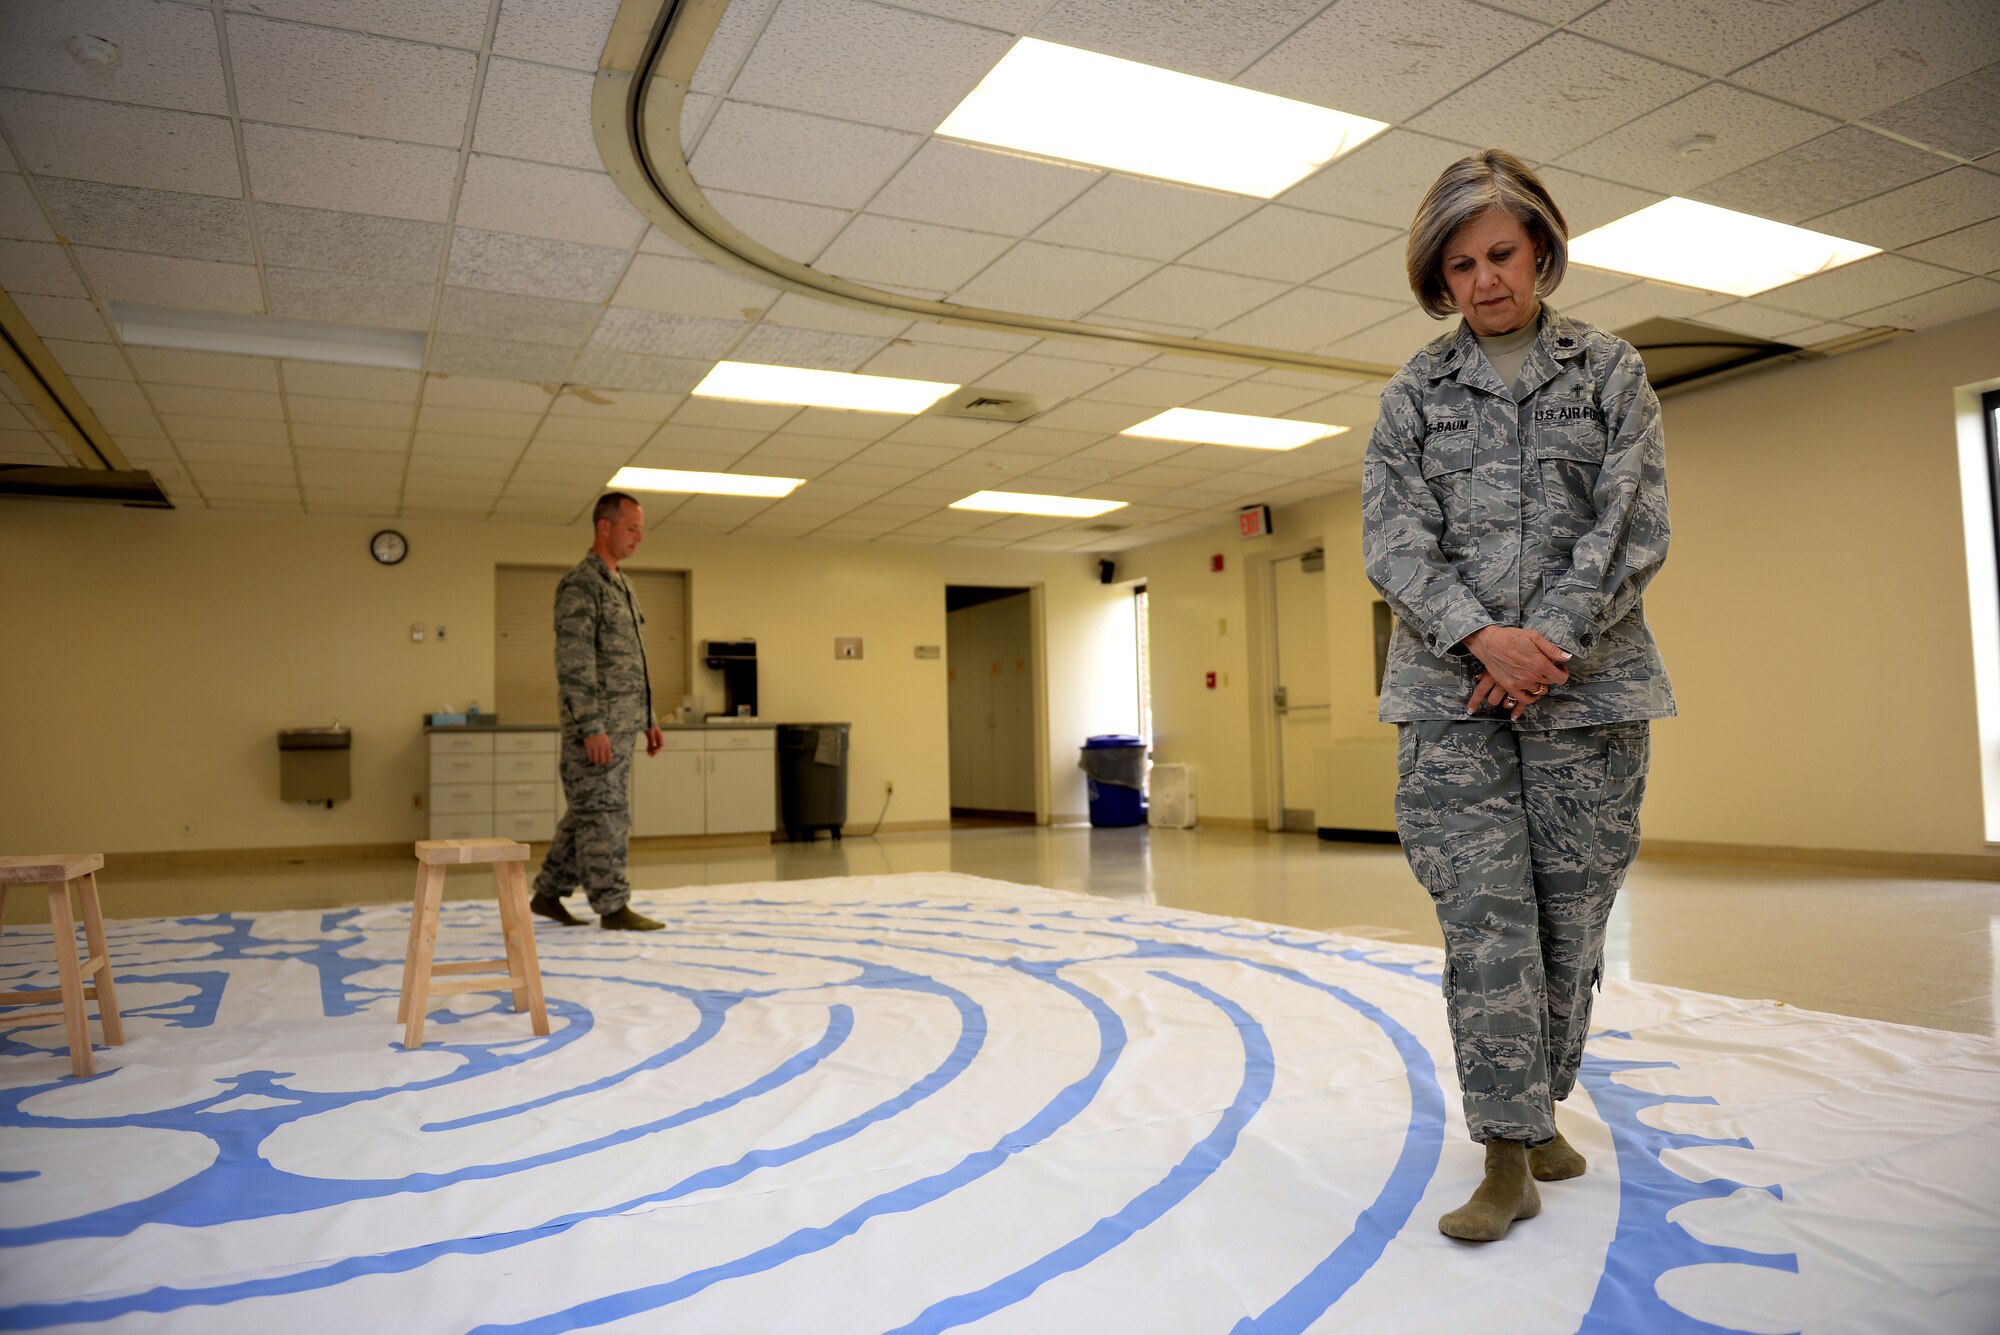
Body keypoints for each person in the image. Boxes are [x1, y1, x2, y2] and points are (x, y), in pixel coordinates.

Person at [1361, 149, 1675, 1242]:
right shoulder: (1412, 394)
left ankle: (1537, 1109)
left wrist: (1543, 642)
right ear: (1434, 278)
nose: (1483, 280)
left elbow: (1630, 525)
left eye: (1499, 254)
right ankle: (1504, 1155)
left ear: (1538, 249)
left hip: (1586, 695)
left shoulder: (1609, 371)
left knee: (1567, 919)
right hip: (1450, 703)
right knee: (1484, 920)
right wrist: (1483, 641)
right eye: (1458, 264)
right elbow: (1392, 544)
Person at [530, 491, 668, 931]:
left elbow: (631, 661)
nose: (639, 538)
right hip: (597, 728)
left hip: (624, 725)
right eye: (631, 528)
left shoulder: (622, 586)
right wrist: (591, 726)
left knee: (589, 810)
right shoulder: (581, 585)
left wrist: (648, 718)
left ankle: (548, 894)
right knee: (606, 815)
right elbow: (574, 663)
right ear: (603, 527)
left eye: (641, 529)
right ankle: (613, 906)